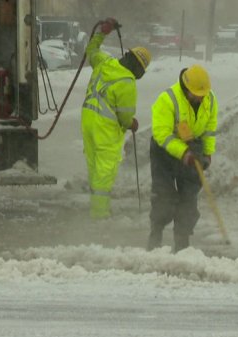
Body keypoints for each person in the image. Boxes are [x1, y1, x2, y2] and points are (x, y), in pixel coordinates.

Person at [81, 18, 151, 219]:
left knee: (94, 167)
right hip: (105, 129)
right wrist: (132, 124)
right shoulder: (127, 82)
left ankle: (97, 208)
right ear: (139, 69)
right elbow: (125, 116)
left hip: (87, 120)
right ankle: (100, 215)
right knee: (105, 172)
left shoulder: (105, 61)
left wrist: (102, 33)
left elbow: (91, 51)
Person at [147, 64, 218, 252]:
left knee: (189, 198)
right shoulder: (167, 100)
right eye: (196, 94)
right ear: (186, 89)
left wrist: (207, 153)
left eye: (202, 95)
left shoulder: (209, 99)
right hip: (165, 152)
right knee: (164, 196)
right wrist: (183, 153)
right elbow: (162, 134)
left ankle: (182, 242)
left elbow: (210, 129)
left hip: (193, 149)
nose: (200, 98)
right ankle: (156, 234)